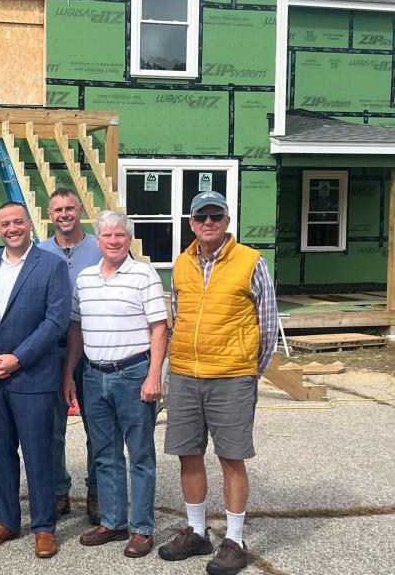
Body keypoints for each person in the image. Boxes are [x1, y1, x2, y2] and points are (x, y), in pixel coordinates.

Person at [158, 191, 277, 575]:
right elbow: (177, 316)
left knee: (231, 456)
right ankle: (196, 531)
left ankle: (235, 539)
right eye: (200, 216)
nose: (208, 222)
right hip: (186, 376)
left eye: (216, 215)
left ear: (227, 221)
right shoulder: (181, 264)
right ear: (191, 223)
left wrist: (248, 370)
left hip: (231, 377)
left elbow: (269, 322)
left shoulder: (250, 262)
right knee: (188, 454)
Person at [0, 202, 71, 559]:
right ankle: (7, 521)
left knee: (38, 453)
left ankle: (43, 527)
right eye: (5, 223)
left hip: (32, 375)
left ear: (30, 224)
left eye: (18, 222)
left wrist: (17, 358)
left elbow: (55, 322)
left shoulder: (52, 265)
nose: (12, 228)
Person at [62, 211, 167, 559]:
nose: (112, 241)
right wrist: (69, 374)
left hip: (133, 375)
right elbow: (76, 329)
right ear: (97, 239)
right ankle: (112, 521)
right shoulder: (85, 278)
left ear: (128, 238)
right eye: (106, 235)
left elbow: (158, 328)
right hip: (93, 375)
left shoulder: (144, 274)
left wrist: (154, 375)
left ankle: (141, 528)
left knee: (139, 455)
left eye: (119, 235)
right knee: (105, 454)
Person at [37, 188, 102, 523]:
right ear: (50, 215)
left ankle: (96, 491)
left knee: (97, 426)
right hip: (52, 351)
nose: (64, 214)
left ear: (81, 210)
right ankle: (58, 490)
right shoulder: (39, 251)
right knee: (52, 428)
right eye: (58, 209)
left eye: (70, 208)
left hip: (93, 352)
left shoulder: (101, 247)